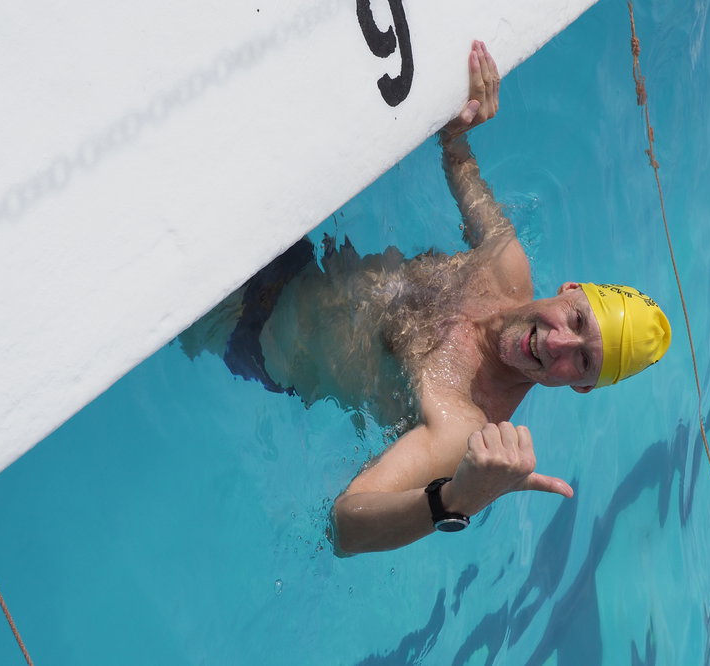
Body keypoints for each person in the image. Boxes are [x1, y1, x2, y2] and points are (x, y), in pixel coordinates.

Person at [179, 41, 671, 554]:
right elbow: (457, 159)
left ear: (582, 388)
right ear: (569, 289)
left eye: (583, 360)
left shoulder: (463, 423)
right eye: (575, 320)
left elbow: (343, 526)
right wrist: (465, 122)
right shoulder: (505, 263)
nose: (557, 344)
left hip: (248, 328)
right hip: (294, 258)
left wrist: (455, 498)